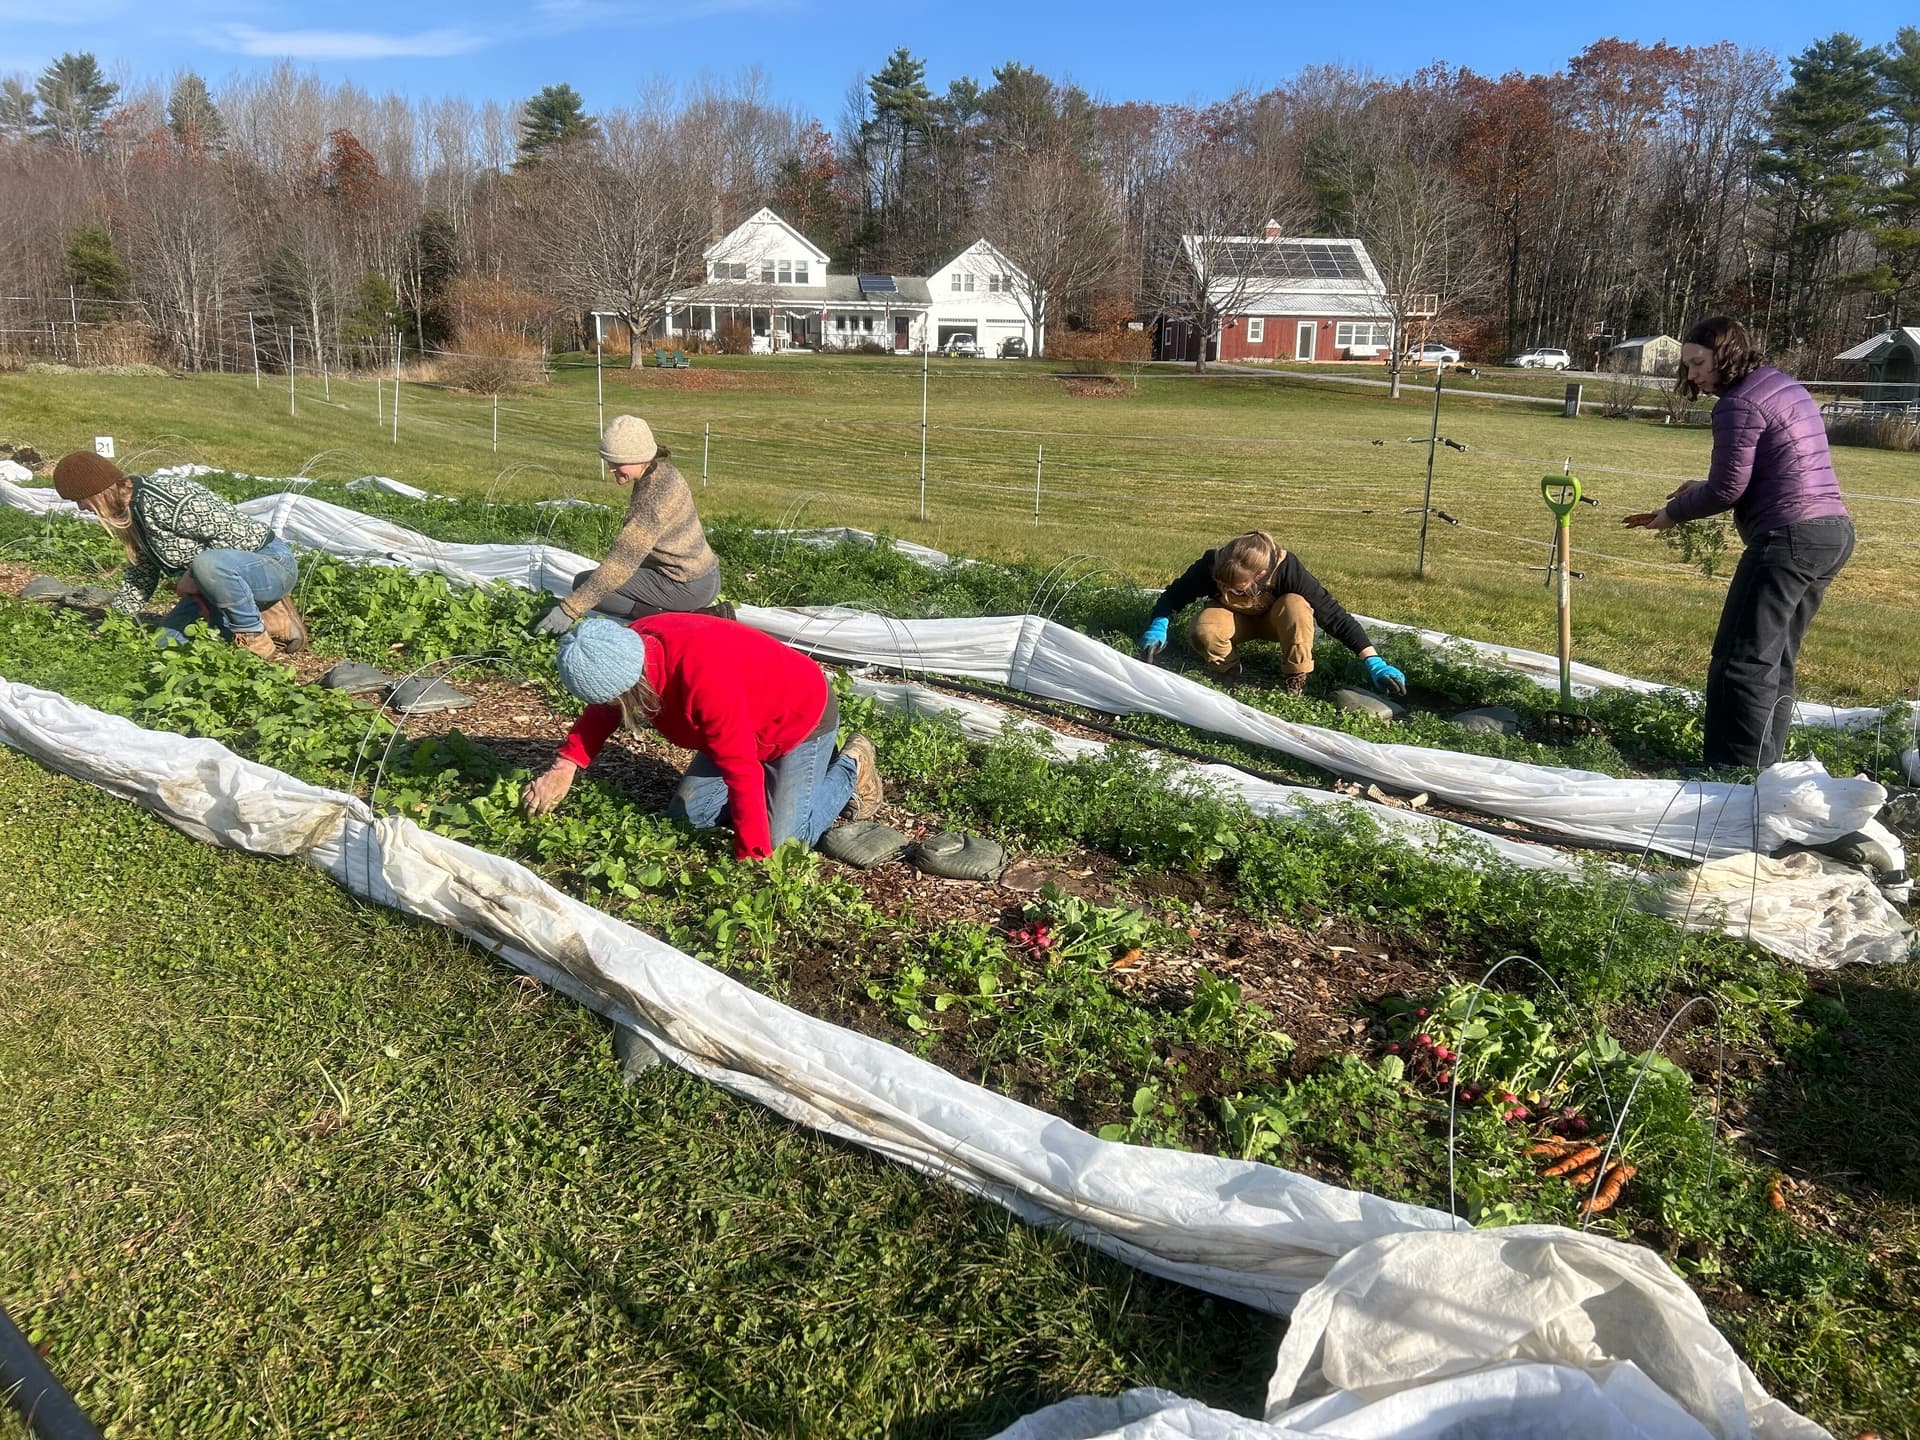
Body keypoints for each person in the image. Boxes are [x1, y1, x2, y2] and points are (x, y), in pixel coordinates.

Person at [1622, 316, 1853, 768]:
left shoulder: (1737, 404)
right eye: (1687, 366)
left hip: (1788, 539)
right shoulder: (1779, 383)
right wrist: (1700, 486)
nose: (1692, 374)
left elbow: (1728, 490)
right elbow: (1760, 471)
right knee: (1776, 660)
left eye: (1697, 363)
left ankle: (1732, 774)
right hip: (1831, 532)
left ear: (1725, 354)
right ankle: (1763, 769)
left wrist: (1672, 514)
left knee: (1740, 659)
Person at [524, 614, 883, 861]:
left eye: (613, 701)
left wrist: (752, 857)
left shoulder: (703, 679)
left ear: (630, 688)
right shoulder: (623, 649)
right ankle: (775, 800)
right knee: (689, 815)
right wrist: (565, 766)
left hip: (800, 719)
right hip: (744, 722)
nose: (609, 708)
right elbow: (603, 708)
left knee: (782, 843)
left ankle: (852, 764)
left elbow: (742, 771)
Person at [50, 451, 305, 657]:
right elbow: (141, 576)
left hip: (269, 566)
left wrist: (193, 576)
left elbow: (234, 537)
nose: (81, 508)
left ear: (96, 492)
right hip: (213, 589)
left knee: (207, 564)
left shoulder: (166, 497)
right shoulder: (131, 515)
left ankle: (253, 636)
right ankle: (271, 616)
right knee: (166, 645)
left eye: (79, 500)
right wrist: (114, 623)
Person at [1138, 530, 1405, 696]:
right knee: (1203, 630)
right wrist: (1158, 625)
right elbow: (1175, 595)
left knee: (1296, 605)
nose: (1225, 587)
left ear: (1261, 574)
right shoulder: (1214, 562)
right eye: (1221, 584)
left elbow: (1333, 615)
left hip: (1275, 623)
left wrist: (1373, 660)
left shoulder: (1288, 569)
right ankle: (1230, 672)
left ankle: (1295, 677)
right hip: (1233, 619)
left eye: (1236, 585)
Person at [531, 414, 722, 634]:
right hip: (706, 574)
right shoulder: (664, 472)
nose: (611, 468)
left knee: (585, 583)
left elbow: (620, 564)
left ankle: (686, 621)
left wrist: (568, 610)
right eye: (609, 461)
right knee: (597, 582)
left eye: (617, 462)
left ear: (639, 457)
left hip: (687, 586)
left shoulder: (650, 502)